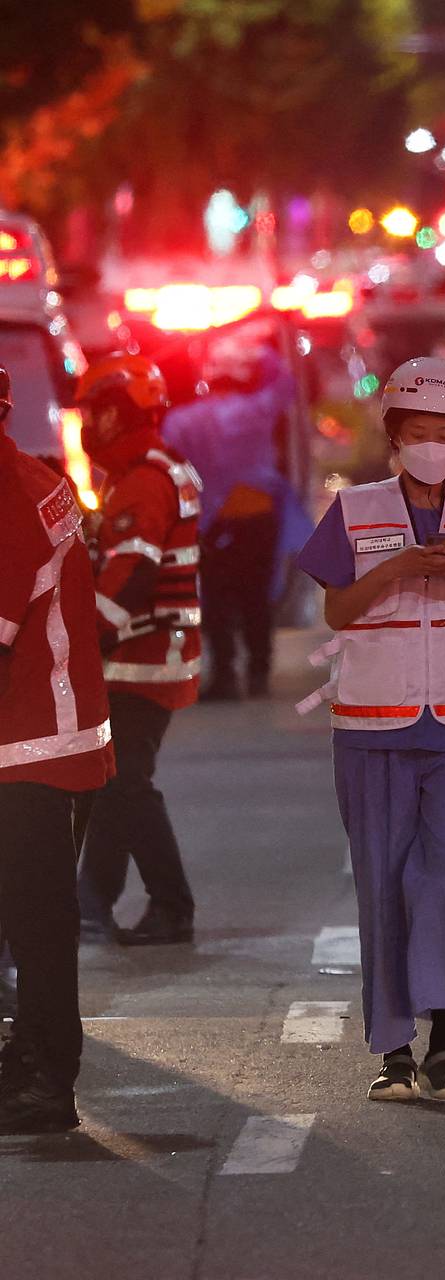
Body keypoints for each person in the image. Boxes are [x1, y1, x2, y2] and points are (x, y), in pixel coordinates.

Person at [296, 357, 445, 1104]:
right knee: (383, 887)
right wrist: (400, 569)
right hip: (373, 725)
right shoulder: (355, 510)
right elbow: (338, 612)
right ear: (394, 437)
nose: (432, 445)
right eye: (418, 432)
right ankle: (396, 1051)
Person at [0, 362, 115, 1133]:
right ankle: (31, 1061)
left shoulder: (9, 492)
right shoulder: (27, 475)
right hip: (41, 738)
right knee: (28, 916)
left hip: (33, 741)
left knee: (37, 919)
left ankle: (48, 1080)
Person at [75, 354, 202, 946]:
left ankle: (169, 907)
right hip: (146, 654)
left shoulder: (145, 479)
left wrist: (75, 644)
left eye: (95, 411)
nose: (88, 424)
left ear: (118, 414)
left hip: (142, 658)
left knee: (125, 782)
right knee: (116, 781)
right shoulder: (140, 470)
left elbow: (130, 579)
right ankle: (90, 902)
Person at [163, 344, 311, 701]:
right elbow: (286, 385)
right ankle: (258, 671)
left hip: (211, 525)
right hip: (257, 520)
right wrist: (260, 346)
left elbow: (169, 465)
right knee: (256, 598)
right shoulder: (256, 410)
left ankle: (225, 675)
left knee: (216, 600)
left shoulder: (181, 420)